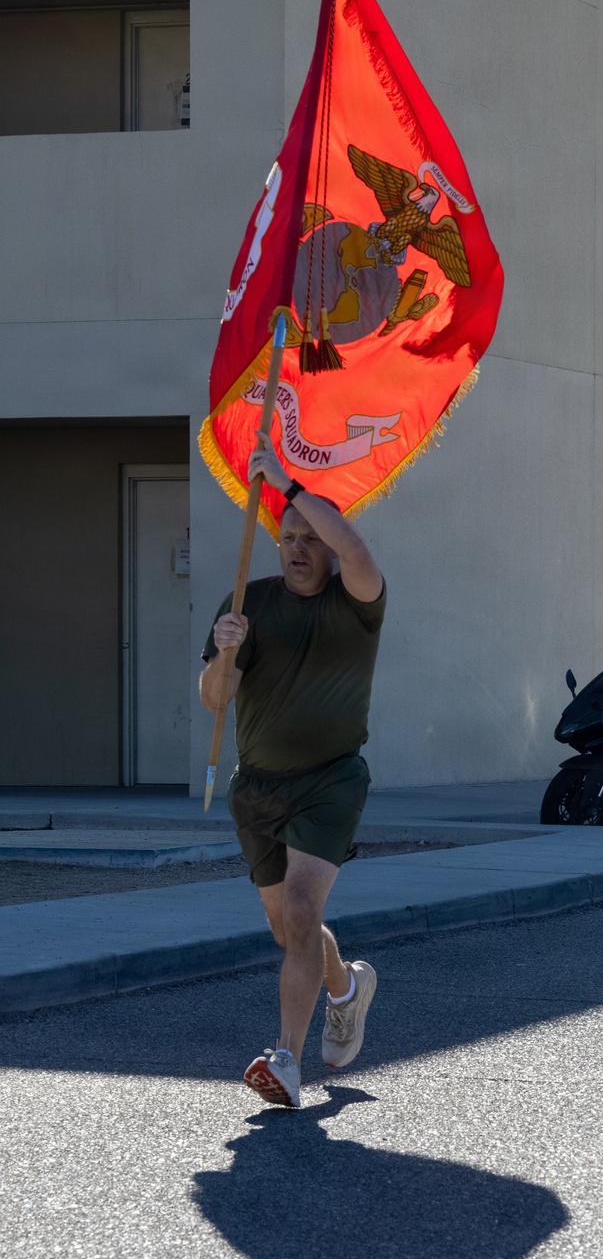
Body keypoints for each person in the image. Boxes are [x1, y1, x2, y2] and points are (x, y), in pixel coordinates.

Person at [200, 434, 386, 1109]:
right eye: (288, 536)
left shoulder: (356, 599)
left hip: (330, 780)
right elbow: (214, 699)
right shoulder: (245, 601)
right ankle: (347, 987)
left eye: (311, 537)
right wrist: (225, 652)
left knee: (305, 910)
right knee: (290, 930)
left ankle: (285, 1059)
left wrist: (286, 485)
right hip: (257, 787)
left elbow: (358, 552)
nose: (299, 547)